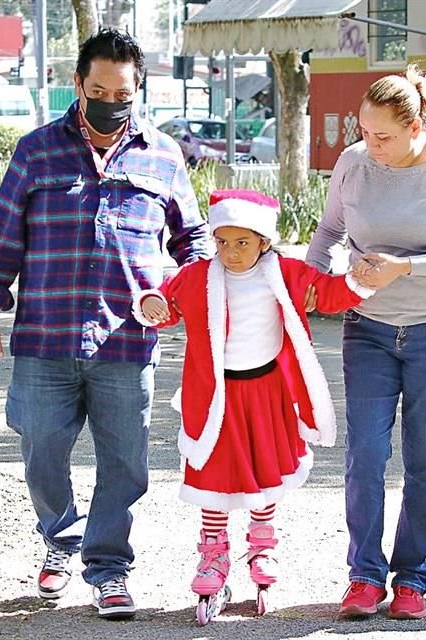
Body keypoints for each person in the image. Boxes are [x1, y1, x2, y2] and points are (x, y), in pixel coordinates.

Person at [0, 28, 211, 620]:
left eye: (121, 93)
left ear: (139, 90)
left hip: (128, 340)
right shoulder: (37, 151)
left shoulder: (163, 155)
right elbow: (3, 236)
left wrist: (203, 292)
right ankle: (61, 539)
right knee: (41, 449)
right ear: (77, 84)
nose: (109, 102)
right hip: (45, 336)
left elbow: (192, 240)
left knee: (125, 464)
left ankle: (108, 570)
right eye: (97, 89)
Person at [305, 63, 426, 620]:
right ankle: (363, 576)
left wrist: (404, 267)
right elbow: (329, 232)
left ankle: (411, 578)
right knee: (364, 454)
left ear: (418, 126)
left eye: (383, 135)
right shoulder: (354, 163)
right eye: (364, 132)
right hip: (368, 331)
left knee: (424, 462)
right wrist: (309, 286)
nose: (371, 145)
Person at [132, 189, 374, 617]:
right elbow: (167, 304)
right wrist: (150, 302)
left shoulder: (286, 273)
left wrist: (362, 280)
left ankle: (262, 548)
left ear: (264, 240)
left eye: (242, 242)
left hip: (267, 393)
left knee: (265, 470)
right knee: (213, 474)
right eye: (221, 242)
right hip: (214, 397)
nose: (230, 252)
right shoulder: (198, 276)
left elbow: (332, 294)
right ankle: (214, 554)